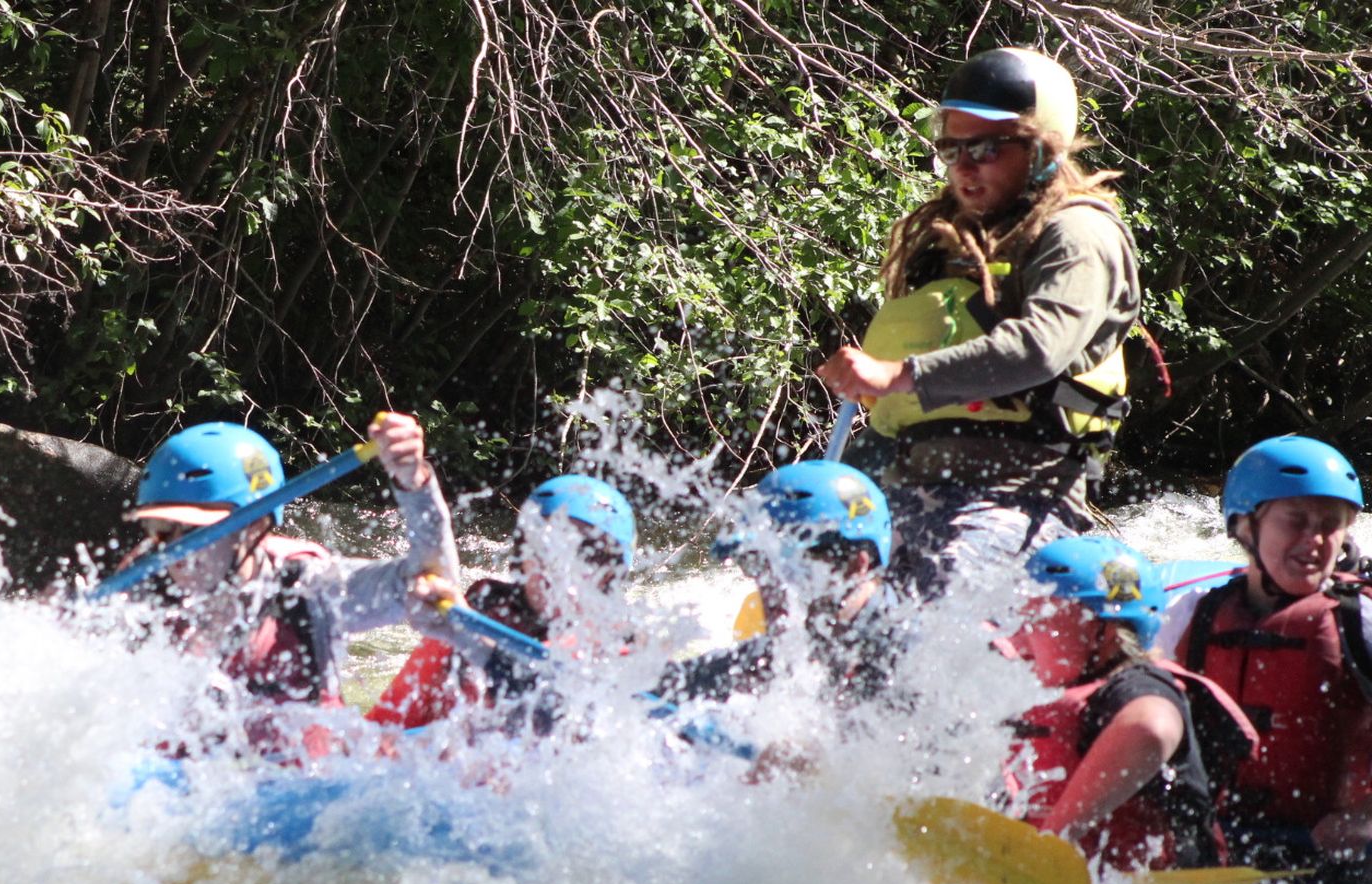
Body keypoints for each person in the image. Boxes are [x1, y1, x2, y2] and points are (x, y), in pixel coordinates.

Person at [814, 47, 1141, 598]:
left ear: (1043, 149)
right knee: (807, 581)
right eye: (953, 147)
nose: (964, 166)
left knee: (935, 591)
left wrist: (899, 376)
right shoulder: (943, 239)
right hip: (908, 479)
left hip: (1022, 494)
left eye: (987, 148)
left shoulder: (1079, 236)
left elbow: (1041, 348)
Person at [1153, 435, 1372, 884]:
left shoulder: (1359, 624)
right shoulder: (1193, 616)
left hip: (1340, 867)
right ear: (1245, 527)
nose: (1315, 540)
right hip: (1225, 856)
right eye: (1295, 521)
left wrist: (1363, 818)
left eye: (1331, 524)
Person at [117, 413, 459, 751]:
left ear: (253, 526)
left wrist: (414, 484)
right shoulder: (141, 590)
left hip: (307, 785)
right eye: (160, 528)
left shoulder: (309, 589)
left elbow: (433, 577)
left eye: (192, 531)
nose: (174, 549)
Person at [999, 536, 1257, 872]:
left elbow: (1151, 728)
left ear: (1104, 632)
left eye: (1040, 619)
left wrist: (1052, 842)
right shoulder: (1061, 688)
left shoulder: (1136, 684)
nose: (1020, 635)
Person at [364, 474, 635, 738]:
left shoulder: (618, 650)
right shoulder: (477, 614)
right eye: (547, 544)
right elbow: (382, 730)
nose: (559, 565)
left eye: (586, 552)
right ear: (523, 553)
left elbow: (547, 697)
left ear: (610, 573)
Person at [660, 460, 901, 708]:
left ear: (855, 566)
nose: (768, 584)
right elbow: (655, 691)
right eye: (755, 563)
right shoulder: (782, 652)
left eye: (790, 567)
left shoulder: (913, 661)